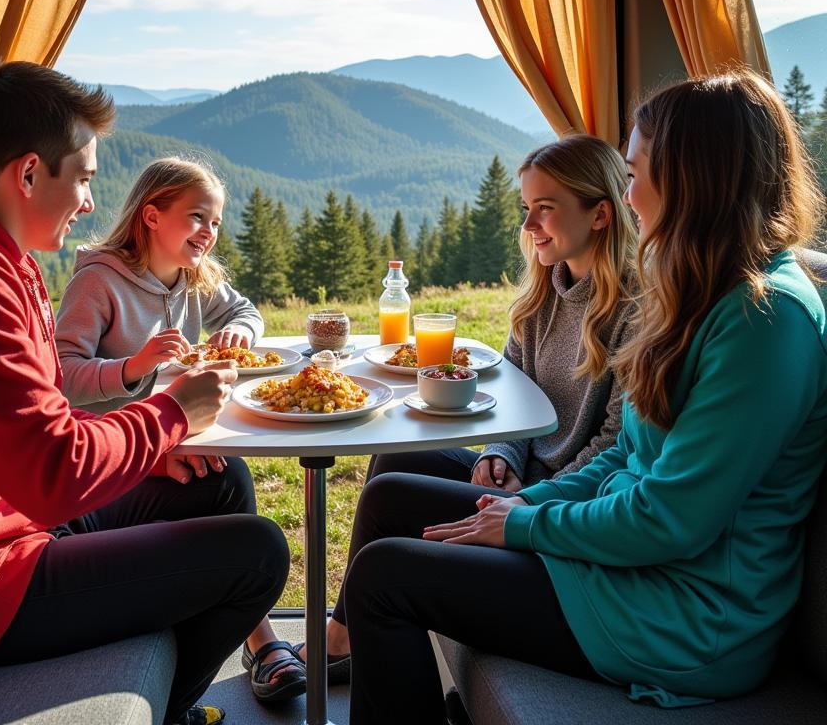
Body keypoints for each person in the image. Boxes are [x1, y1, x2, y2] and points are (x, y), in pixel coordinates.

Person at [340, 71, 827, 724]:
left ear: (692, 176)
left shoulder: (764, 321)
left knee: (385, 577)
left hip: (682, 616)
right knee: (395, 497)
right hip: (633, 572)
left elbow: (670, 519)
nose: (627, 196)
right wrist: (527, 499)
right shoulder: (703, 291)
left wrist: (524, 523)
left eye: (634, 174)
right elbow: (628, 455)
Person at [0, 61, 290, 725]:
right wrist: (168, 414)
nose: (88, 202)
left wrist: (150, 450)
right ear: (26, 174)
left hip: (8, 521)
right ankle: (171, 712)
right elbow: (52, 470)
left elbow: (36, 429)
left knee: (217, 482)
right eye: (82, 178)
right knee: (258, 554)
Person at [298, 133, 638, 680]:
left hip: (556, 504)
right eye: (526, 210)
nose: (528, 227)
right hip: (522, 478)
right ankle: (342, 638)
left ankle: (346, 641)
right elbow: (513, 392)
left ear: (601, 214)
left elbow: (616, 445)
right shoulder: (542, 295)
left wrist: (526, 499)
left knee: (391, 530)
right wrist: (500, 452)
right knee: (394, 465)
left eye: (544, 211)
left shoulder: (635, 311)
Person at [55, 156, 307, 704]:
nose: (209, 233)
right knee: (228, 483)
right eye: (197, 217)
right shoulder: (99, 283)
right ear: (151, 215)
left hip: (162, 443)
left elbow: (244, 310)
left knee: (226, 475)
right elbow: (62, 377)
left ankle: (253, 640)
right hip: (105, 457)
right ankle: (259, 642)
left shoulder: (194, 279)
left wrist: (238, 332)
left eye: (215, 222)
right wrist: (133, 366)